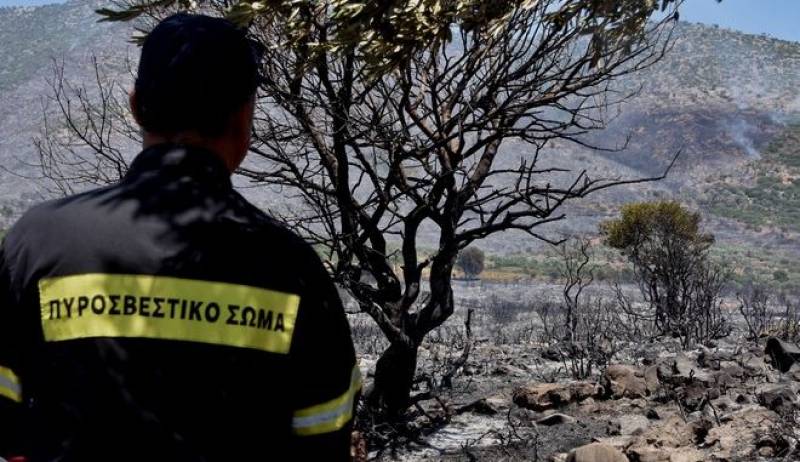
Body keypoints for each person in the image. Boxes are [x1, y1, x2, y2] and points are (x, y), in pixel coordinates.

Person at [0, 13, 359, 461]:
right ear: (243, 119)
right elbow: (323, 442)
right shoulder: (292, 268)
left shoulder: (36, 241)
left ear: (135, 106)